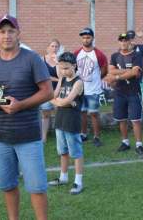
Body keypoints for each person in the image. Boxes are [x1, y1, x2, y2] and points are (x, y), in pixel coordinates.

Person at [0, 14, 53, 220]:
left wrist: (20, 105)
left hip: (28, 135)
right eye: (2, 31)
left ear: (18, 33)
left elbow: (48, 92)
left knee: (37, 187)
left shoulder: (32, 59)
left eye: (10, 31)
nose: (6, 35)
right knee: (7, 185)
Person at [105, 33, 143, 157]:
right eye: (121, 40)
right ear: (119, 42)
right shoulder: (115, 56)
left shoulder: (136, 55)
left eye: (126, 40)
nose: (123, 42)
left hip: (133, 92)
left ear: (130, 42)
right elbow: (110, 70)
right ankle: (125, 142)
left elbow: (135, 73)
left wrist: (117, 76)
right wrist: (129, 71)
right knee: (121, 119)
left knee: (135, 120)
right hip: (119, 92)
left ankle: (139, 145)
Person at [49, 52, 84, 194]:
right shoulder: (62, 79)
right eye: (62, 68)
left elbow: (65, 101)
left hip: (71, 122)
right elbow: (53, 95)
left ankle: (78, 182)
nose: (64, 71)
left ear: (74, 66)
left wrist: (56, 102)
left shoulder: (78, 82)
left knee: (75, 152)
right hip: (60, 121)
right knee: (63, 151)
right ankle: (63, 177)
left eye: (66, 68)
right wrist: (59, 81)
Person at [74, 28, 107, 147]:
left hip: (93, 90)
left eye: (88, 37)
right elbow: (74, 69)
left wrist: (95, 80)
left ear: (92, 38)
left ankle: (97, 136)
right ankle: (83, 134)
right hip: (80, 90)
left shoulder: (99, 54)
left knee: (93, 113)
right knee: (82, 112)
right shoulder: (77, 53)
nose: (85, 39)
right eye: (83, 37)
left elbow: (104, 71)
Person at [40, 39, 60, 142]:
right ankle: (44, 137)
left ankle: (59, 136)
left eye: (56, 46)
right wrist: (58, 79)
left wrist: (57, 62)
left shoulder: (60, 61)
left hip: (59, 90)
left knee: (59, 113)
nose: (54, 48)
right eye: (52, 46)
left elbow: (63, 75)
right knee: (45, 114)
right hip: (46, 91)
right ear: (48, 48)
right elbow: (44, 76)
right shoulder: (42, 60)